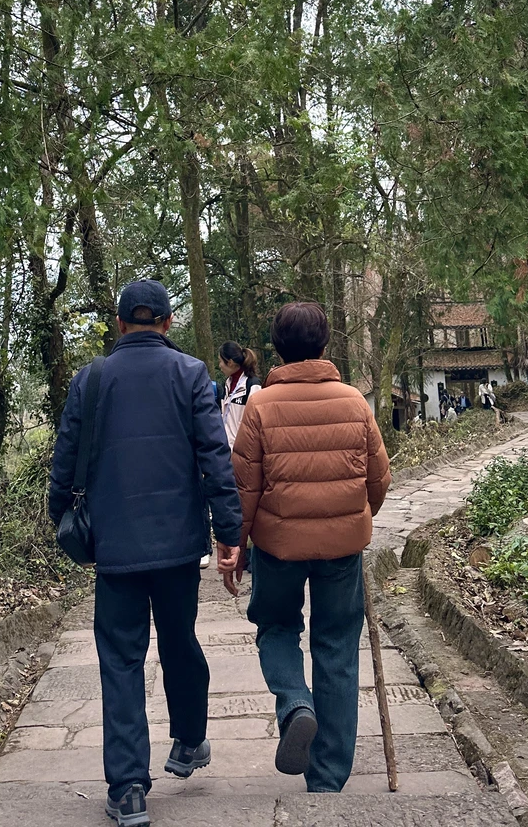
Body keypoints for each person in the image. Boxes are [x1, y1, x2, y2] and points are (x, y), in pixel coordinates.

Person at [49, 280, 242, 827]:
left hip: (114, 548)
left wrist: (64, 518)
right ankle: (190, 740)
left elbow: (64, 465)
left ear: (118, 324)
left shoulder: (91, 380)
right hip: (180, 545)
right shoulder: (191, 376)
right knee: (179, 639)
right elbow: (214, 460)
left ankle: (129, 789)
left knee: (120, 660)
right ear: (168, 321)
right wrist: (229, 532)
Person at [227, 301, 390, 794]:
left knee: (276, 626)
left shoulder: (260, 407)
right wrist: (351, 520)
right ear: (324, 345)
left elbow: (244, 490)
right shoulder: (354, 402)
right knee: (337, 645)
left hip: (278, 547)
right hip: (341, 549)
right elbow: (378, 480)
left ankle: (296, 703)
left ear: (278, 348)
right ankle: (328, 777)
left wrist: (235, 547)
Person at [218, 340, 262, 449]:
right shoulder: (226, 384)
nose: (219, 366)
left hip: (242, 451)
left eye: (220, 361)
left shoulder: (252, 385)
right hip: (225, 450)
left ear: (230, 362)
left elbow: (256, 422)